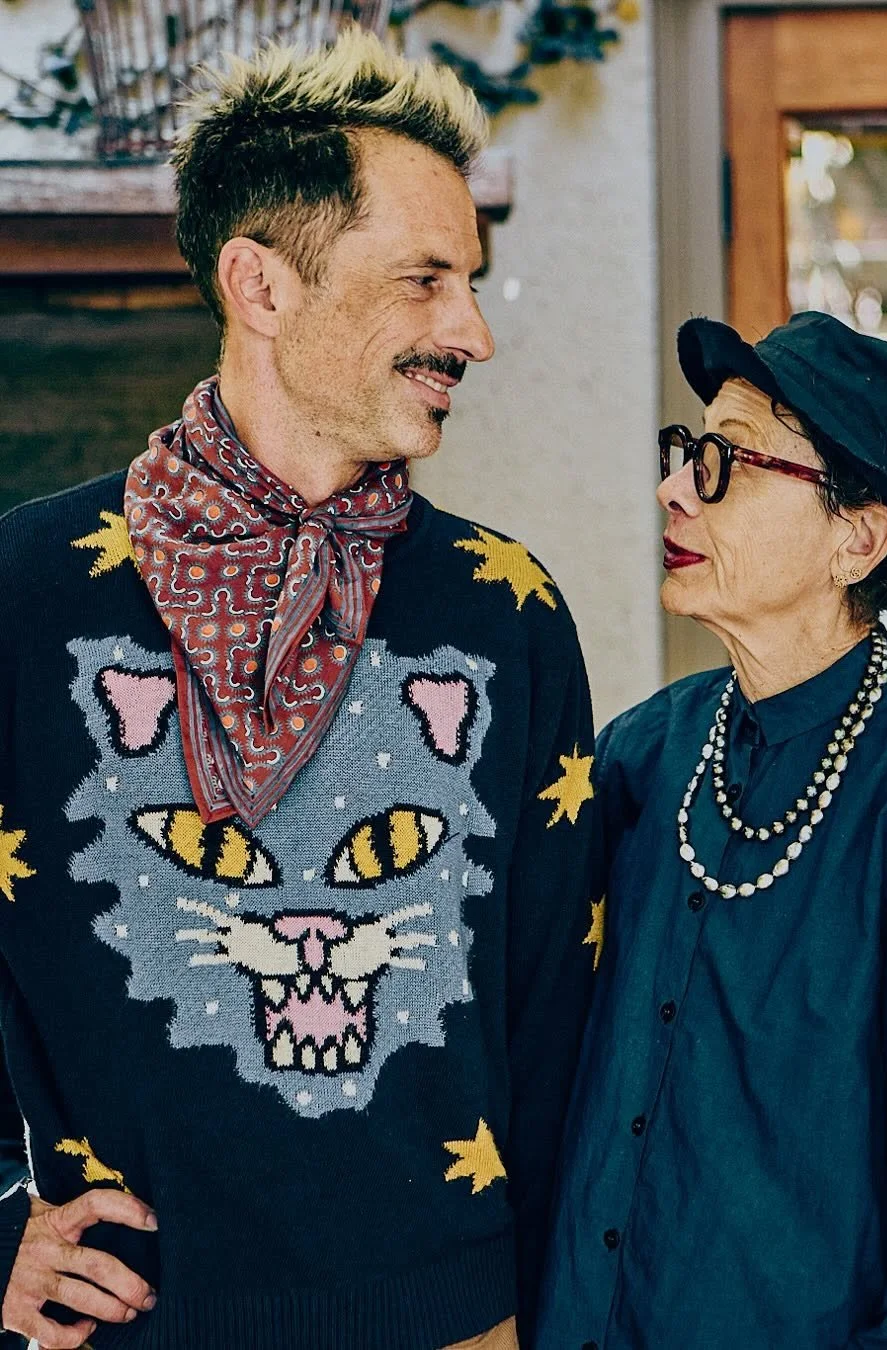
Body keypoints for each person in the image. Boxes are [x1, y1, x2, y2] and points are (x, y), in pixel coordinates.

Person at [0, 30, 597, 1350]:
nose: (474, 332)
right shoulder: (25, 593)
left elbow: (562, 1029)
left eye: (473, 282)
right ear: (261, 282)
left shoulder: (508, 616)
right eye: (426, 279)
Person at [537, 311, 887, 1348]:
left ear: (855, 538)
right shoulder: (643, 757)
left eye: (725, 462)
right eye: (687, 451)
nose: (674, 488)